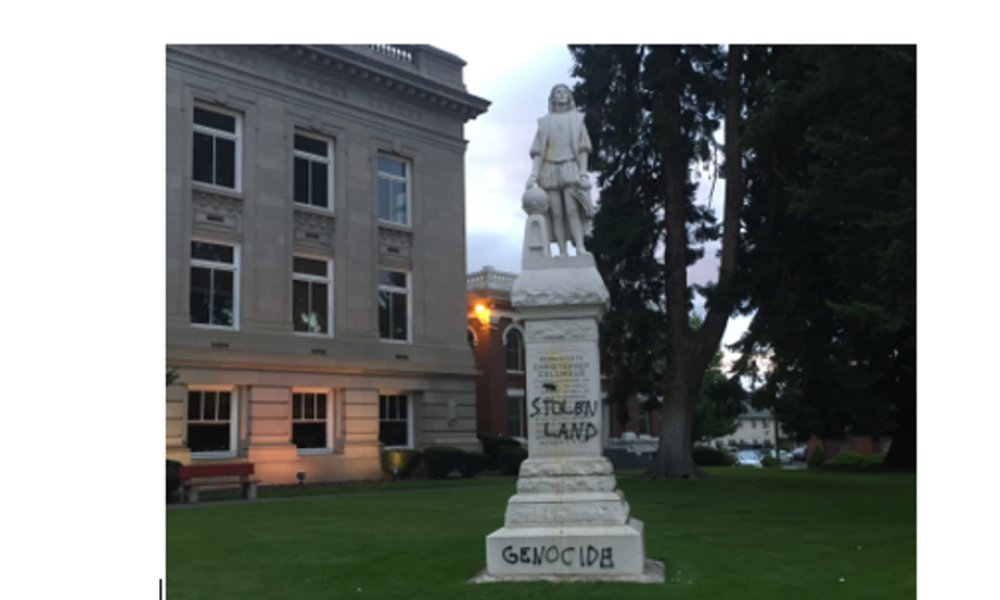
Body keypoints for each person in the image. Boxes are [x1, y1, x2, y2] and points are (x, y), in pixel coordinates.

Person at [526, 84, 595, 257]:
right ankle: (562, 250)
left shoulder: (577, 119)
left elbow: (583, 148)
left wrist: (583, 173)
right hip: (549, 168)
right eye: (558, 92)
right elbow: (537, 151)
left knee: (572, 209)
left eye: (565, 92)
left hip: (570, 165)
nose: (562, 94)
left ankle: (580, 247)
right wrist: (534, 174)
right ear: (552, 98)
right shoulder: (544, 122)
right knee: (555, 212)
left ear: (570, 97)